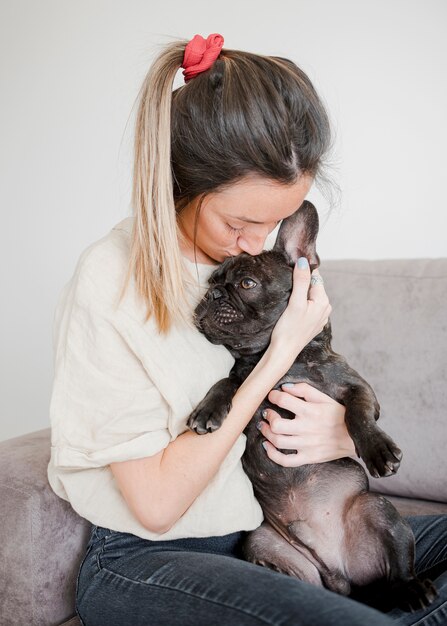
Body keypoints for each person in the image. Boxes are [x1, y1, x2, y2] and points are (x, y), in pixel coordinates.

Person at [48, 33, 447, 626]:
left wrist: (339, 433)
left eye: (271, 225)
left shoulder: (258, 272)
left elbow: (322, 399)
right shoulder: (113, 278)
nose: (254, 244)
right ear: (184, 181)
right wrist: (277, 352)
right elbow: (157, 507)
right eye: (240, 221)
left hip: (263, 527)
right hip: (153, 557)